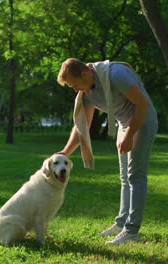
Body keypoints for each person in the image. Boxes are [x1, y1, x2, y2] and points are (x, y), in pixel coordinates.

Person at [56, 58, 158, 245]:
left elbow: (143, 105)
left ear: (85, 73)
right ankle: (121, 224)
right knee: (124, 177)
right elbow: (82, 126)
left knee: (136, 176)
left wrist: (129, 135)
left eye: (76, 84)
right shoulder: (85, 92)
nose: (75, 90)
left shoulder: (116, 74)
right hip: (123, 123)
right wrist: (65, 152)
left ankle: (131, 231)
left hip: (142, 120)